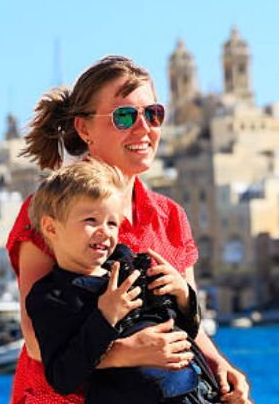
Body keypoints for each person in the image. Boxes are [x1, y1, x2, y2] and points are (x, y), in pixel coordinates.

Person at [6, 55, 251, 404]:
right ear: (84, 128)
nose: (143, 128)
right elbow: (36, 341)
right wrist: (125, 352)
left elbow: (187, 322)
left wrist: (220, 366)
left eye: (153, 114)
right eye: (124, 116)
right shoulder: (51, 209)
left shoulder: (169, 217)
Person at [25, 159, 216, 403]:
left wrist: (182, 294)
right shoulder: (51, 296)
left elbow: (184, 329)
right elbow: (62, 376)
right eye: (91, 220)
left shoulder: (127, 268)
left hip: (195, 393)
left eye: (112, 223)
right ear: (51, 228)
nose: (105, 231)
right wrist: (105, 317)